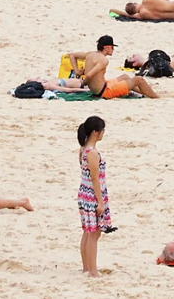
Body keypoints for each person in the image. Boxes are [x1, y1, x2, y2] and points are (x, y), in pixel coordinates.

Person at [79, 116, 110, 273]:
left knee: (87, 231)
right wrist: (100, 202)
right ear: (95, 132)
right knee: (93, 233)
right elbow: (95, 178)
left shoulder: (84, 149)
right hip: (92, 195)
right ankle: (92, 270)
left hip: (85, 193)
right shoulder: (92, 153)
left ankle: (87, 268)